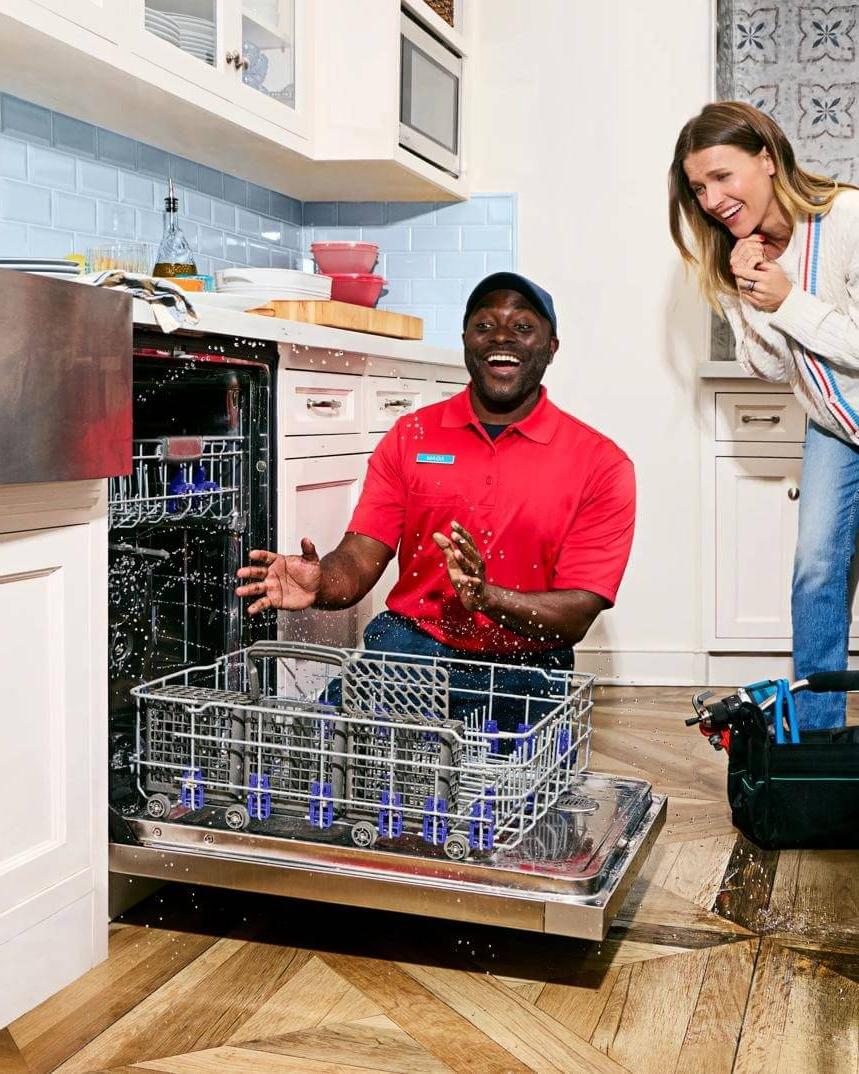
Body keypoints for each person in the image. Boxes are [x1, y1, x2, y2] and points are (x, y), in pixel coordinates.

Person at [236, 272, 636, 724]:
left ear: (551, 347)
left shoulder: (600, 463)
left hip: (526, 666)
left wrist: (488, 598)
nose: (501, 337)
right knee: (324, 758)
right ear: (466, 340)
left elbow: (577, 615)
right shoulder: (412, 436)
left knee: (506, 789)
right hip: (411, 649)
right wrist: (321, 581)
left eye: (523, 327)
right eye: (484, 326)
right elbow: (359, 558)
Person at [669, 100, 859, 730]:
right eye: (698, 187)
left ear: (768, 160)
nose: (712, 198)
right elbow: (773, 369)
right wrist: (753, 299)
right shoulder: (737, 256)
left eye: (722, 176)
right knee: (815, 569)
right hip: (836, 427)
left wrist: (789, 299)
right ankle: (819, 737)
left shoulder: (848, 217)